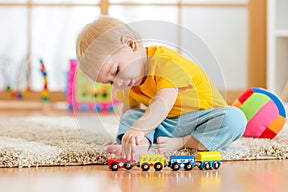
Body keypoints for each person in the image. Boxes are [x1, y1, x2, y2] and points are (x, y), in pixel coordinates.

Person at [76, 15, 247, 160]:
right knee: (131, 115)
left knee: (235, 118)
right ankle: (136, 148)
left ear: (130, 44)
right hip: (167, 124)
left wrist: (139, 128)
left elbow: (162, 104)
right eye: (110, 82)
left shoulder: (166, 63)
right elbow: (130, 110)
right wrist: (129, 136)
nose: (118, 83)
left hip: (204, 119)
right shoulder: (129, 81)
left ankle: (185, 142)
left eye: (116, 71)